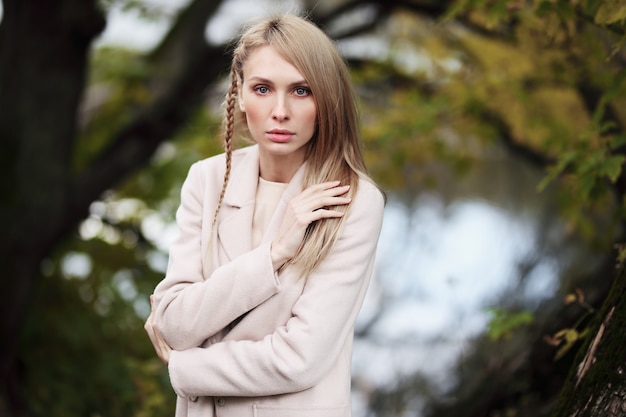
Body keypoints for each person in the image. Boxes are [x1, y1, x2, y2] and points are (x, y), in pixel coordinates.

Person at [144, 13, 385, 417]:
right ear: (239, 95)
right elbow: (174, 323)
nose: (280, 111)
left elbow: (299, 358)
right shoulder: (206, 180)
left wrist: (186, 364)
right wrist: (273, 254)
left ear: (326, 100)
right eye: (262, 88)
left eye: (301, 91)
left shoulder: (355, 200)